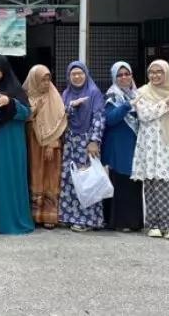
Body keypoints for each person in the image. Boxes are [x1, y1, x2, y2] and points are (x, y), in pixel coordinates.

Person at [131, 59, 169, 240]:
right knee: (151, 183)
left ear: (167, 73)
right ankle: (154, 225)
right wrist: (165, 102)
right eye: (152, 72)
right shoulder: (141, 92)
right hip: (149, 145)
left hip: (168, 145)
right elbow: (145, 115)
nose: (155, 75)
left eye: (159, 72)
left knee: (168, 184)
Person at [0, 55, 34, 235]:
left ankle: (13, 221)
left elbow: (27, 112)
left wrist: (10, 102)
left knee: (11, 178)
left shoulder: (15, 88)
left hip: (12, 140)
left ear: (5, 70)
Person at [59, 61, 106, 233]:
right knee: (71, 179)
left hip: (87, 143)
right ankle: (70, 216)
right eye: (73, 74)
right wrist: (72, 105)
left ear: (86, 74)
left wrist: (94, 141)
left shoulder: (94, 93)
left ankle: (87, 219)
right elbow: (62, 116)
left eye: (80, 73)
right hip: (70, 142)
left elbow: (99, 117)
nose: (77, 77)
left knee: (87, 180)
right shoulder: (66, 93)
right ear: (69, 77)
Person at [22, 64, 66, 229]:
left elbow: (60, 121)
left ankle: (49, 215)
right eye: (42, 80)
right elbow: (21, 117)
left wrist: (52, 143)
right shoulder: (25, 96)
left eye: (48, 79)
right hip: (31, 143)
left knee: (49, 176)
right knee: (33, 175)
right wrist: (33, 111)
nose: (46, 83)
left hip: (49, 144)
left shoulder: (54, 97)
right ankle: (34, 214)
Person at [102, 61, 144, 232]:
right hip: (117, 147)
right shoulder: (112, 96)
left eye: (127, 74)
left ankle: (134, 222)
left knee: (134, 182)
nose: (124, 77)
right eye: (119, 75)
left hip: (136, 146)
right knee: (120, 182)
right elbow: (110, 119)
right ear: (114, 77)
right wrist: (128, 105)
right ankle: (118, 221)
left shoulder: (139, 94)